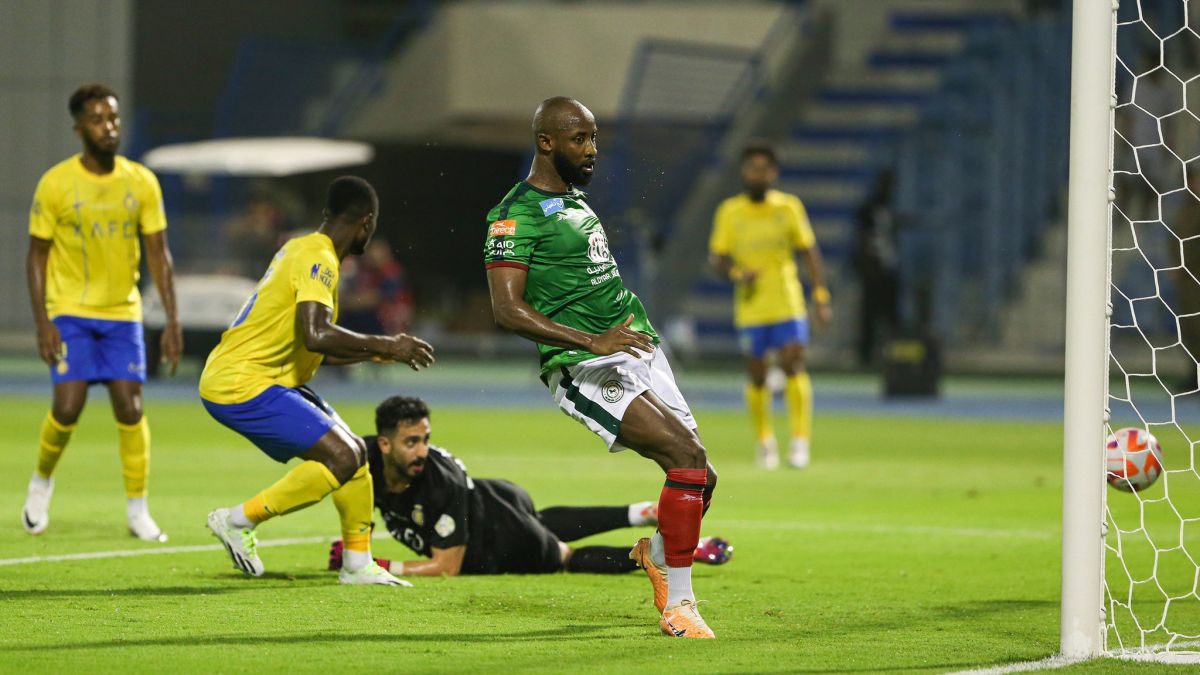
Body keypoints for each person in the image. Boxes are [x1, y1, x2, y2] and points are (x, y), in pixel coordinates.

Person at [485, 97, 718, 639]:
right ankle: (679, 606)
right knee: (684, 458)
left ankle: (656, 555)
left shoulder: (573, 199)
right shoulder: (513, 213)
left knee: (701, 477)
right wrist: (593, 339)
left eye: (593, 138)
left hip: (635, 346)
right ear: (546, 142)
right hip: (584, 361)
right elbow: (506, 308)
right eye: (579, 139)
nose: (592, 150)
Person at [200, 176, 435, 586]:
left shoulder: (303, 248)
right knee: (341, 457)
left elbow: (316, 347)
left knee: (356, 455)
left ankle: (358, 564)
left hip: (265, 377)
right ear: (366, 224)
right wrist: (388, 343)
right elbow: (317, 333)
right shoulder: (319, 258)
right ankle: (238, 521)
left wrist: (381, 352)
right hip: (243, 382)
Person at [325, 396, 733, 577]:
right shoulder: (361, 457)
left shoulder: (437, 483)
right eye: (411, 442)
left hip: (500, 534)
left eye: (425, 440)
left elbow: (445, 567)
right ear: (382, 444)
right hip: (495, 498)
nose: (421, 451)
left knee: (564, 556)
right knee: (541, 521)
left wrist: (376, 563)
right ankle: (638, 512)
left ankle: (675, 552)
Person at [22, 84, 182, 542]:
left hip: (123, 313)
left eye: (112, 117)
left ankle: (138, 510)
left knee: (130, 408)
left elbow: (159, 256)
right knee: (67, 408)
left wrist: (171, 321)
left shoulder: (140, 182)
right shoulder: (56, 184)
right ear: (78, 129)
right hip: (69, 310)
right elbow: (36, 256)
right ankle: (41, 481)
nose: (108, 126)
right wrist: (42, 322)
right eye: (96, 119)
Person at [708, 141, 831, 470]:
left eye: (763, 169)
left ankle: (800, 441)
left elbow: (809, 252)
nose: (757, 175)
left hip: (787, 301)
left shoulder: (788, 207)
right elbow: (717, 260)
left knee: (793, 363)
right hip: (751, 307)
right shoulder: (730, 212)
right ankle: (765, 442)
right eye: (752, 169)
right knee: (758, 375)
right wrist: (737, 273)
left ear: (772, 173)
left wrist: (820, 297)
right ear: (743, 173)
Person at [852, 169, 899, 368]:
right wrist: (864, 266)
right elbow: (862, 239)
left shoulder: (888, 209)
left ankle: (894, 354)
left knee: (890, 314)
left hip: (888, 269)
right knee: (869, 314)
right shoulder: (868, 209)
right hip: (873, 270)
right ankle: (866, 355)